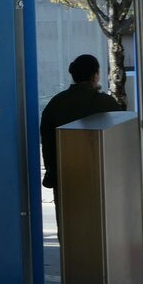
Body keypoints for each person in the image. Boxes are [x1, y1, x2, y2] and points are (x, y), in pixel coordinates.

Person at [38, 54, 120, 241]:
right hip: (100, 180)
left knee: (70, 234)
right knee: (99, 233)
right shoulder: (106, 103)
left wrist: (52, 172)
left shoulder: (56, 104)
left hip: (65, 179)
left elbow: (47, 144)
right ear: (95, 75)